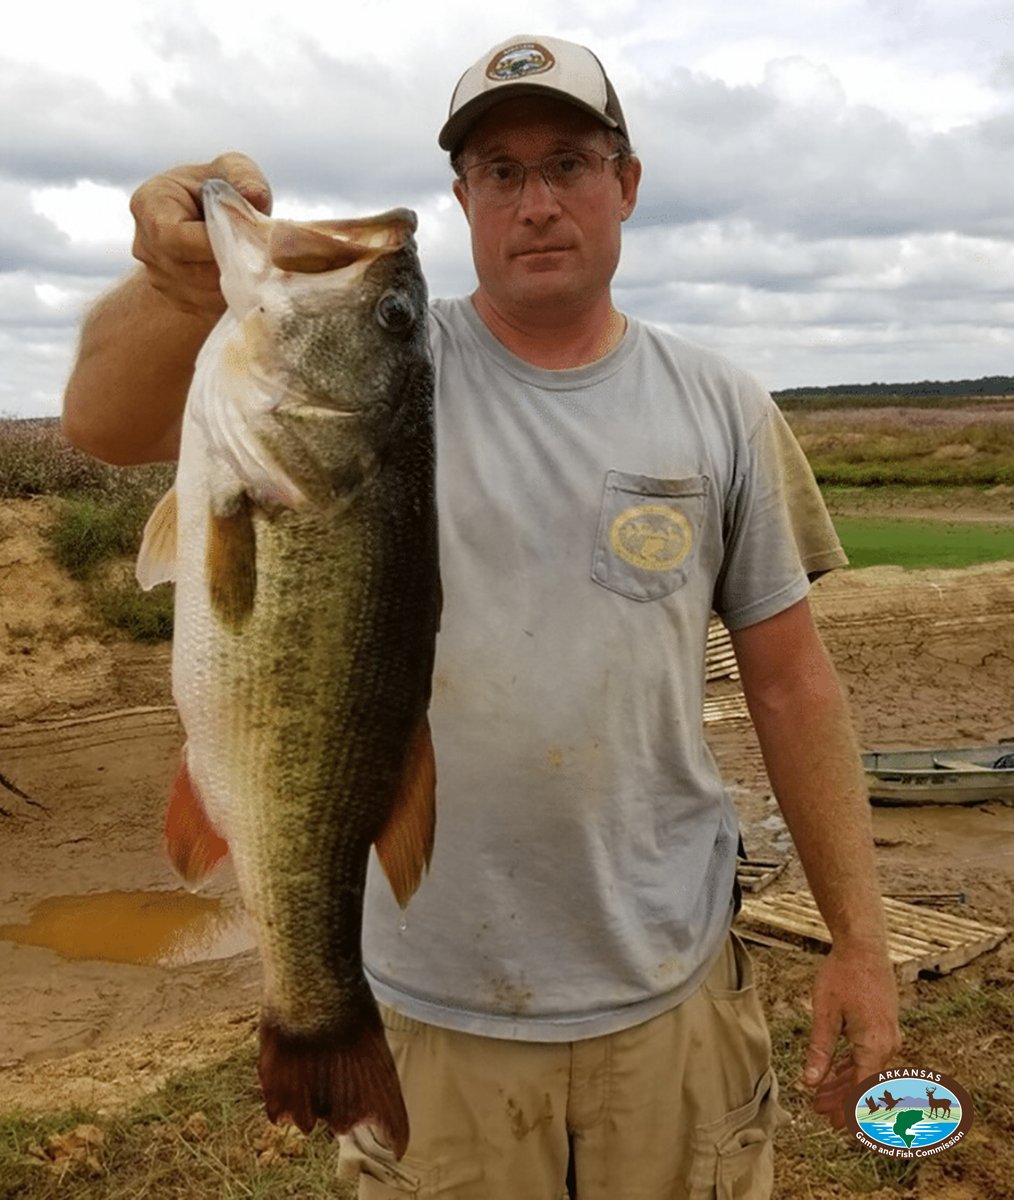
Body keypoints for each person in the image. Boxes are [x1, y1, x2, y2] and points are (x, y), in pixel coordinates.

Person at [63, 32, 901, 1200]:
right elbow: (101, 423)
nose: (537, 201)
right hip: (426, 1010)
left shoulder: (723, 405)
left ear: (629, 184)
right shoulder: (379, 364)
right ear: (464, 198)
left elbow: (793, 683)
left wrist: (859, 940)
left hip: (675, 996)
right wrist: (171, 278)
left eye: (568, 162)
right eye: (500, 173)